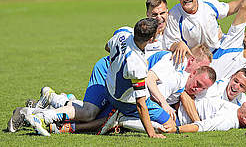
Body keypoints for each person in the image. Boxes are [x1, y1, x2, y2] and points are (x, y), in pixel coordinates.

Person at [26, 18, 174, 138]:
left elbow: (107, 47)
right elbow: (141, 104)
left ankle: (52, 105)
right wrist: (151, 133)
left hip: (109, 84)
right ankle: (119, 119)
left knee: (89, 113)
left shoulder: (123, 33)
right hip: (122, 100)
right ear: (151, 38)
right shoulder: (137, 65)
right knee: (170, 124)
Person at [163, 0, 246, 64]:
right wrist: (178, 44)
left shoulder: (208, 2)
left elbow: (230, 8)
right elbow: (170, 43)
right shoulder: (174, 15)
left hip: (219, 50)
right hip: (197, 59)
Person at [160, 100, 246, 133]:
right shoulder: (238, 110)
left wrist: (176, 129)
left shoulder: (226, 120)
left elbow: (201, 127)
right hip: (178, 101)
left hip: (174, 114)